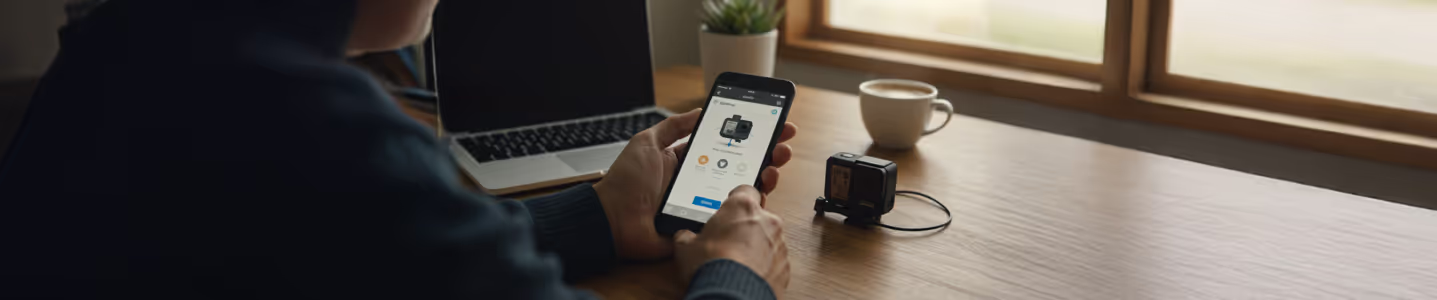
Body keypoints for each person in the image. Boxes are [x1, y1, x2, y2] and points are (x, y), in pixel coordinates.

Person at [0, 0, 795, 299]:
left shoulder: (115, 43)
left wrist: (595, 214)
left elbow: (362, 255)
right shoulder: (321, 130)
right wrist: (735, 278)